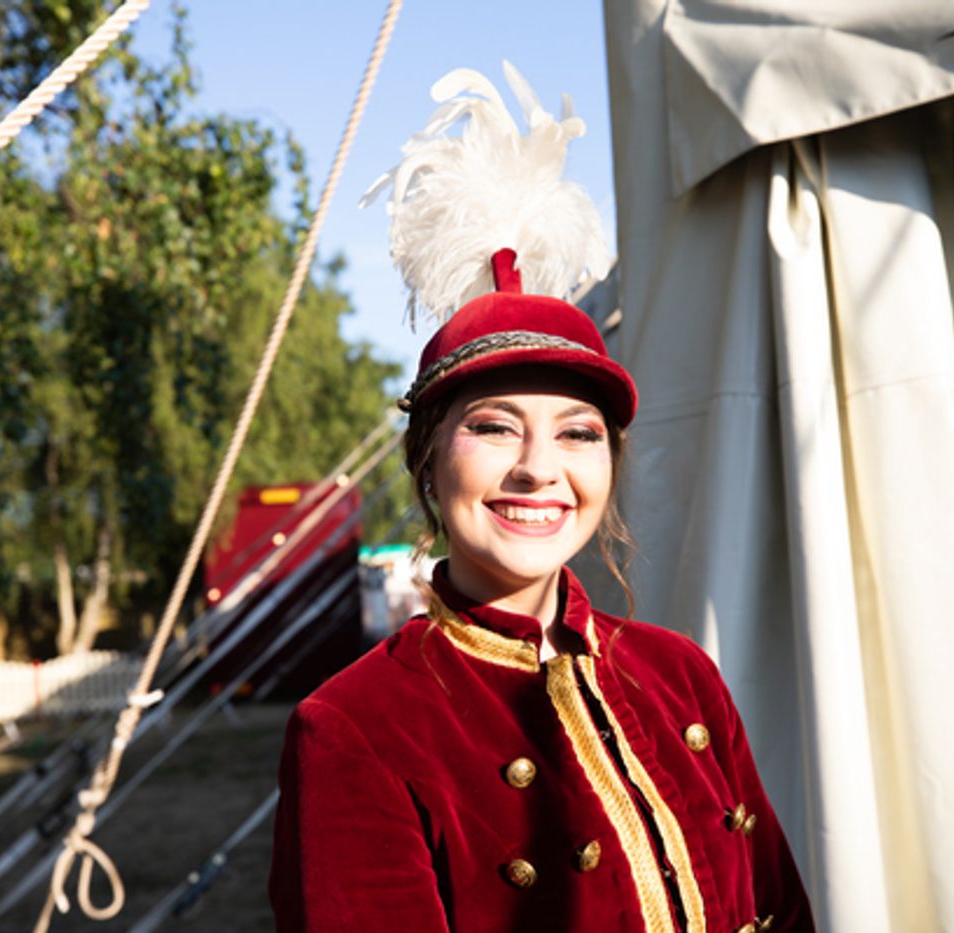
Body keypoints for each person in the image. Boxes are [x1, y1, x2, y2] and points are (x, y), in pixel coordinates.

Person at [269, 65, 814, 933]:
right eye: (492, 426)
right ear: (429, 458)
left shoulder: (682, 674)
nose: (537, 467)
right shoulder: (353, 728)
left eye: (578, 432)